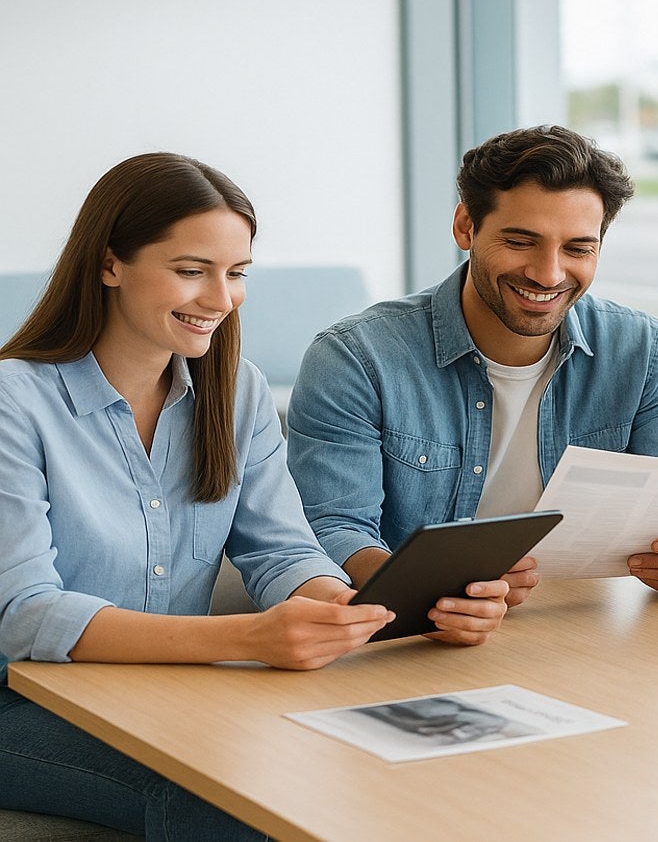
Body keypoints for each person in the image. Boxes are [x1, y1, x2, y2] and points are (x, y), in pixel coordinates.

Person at [0, 153, 417, 839]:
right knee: (223, 791)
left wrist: (343, 608)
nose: (221, 300)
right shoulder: (16, 400)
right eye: (192, 271)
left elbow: (282, 552)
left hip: (178, 689)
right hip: (25, 702)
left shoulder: (236, 390)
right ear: (109, 264)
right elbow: (24, 614)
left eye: (237, 273)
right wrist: (247, 637)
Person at [287, 124, 658, 607]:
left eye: (577, 249)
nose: (548, 274)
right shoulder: (356, 357)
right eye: (521, 242)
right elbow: (332, 528)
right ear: (466, 226)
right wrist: (432, 586)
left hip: (577, 622)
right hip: (417, 629)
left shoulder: (643, 349)